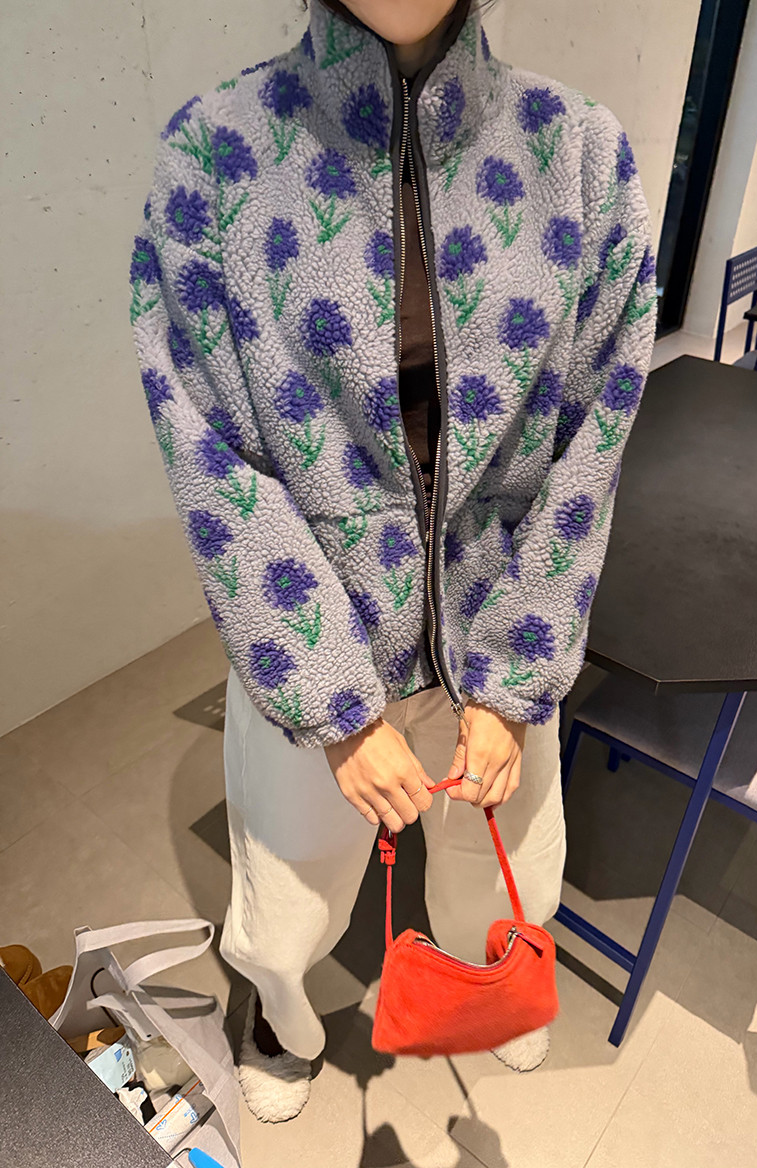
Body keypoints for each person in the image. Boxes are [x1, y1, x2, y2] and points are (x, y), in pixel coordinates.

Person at [128, 0, 657, 1123]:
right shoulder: (213, 157)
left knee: (505, 861)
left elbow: (594, 436)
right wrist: (332, 702)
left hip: (502, 616)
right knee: (286, 893)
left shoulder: (579, 156)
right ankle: (280, 1015)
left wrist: (513, 682)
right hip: (312, 629)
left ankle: (490, 983)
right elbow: (212, 455)